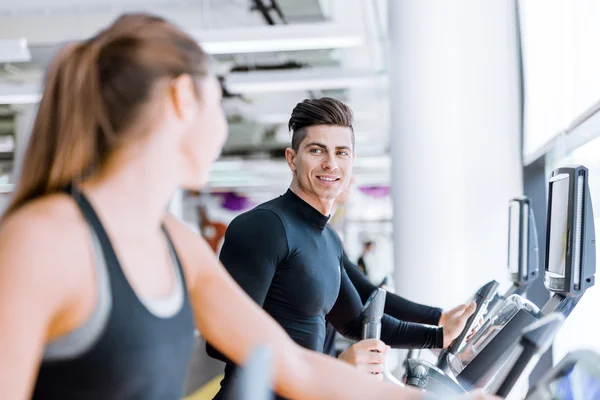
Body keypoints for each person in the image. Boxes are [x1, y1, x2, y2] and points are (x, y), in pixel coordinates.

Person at [0, 13, 499, 400]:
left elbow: (295, 365)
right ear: (181, 100)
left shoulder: (173, 242)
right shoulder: (42, 242)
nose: (222, 125)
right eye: (218, 101)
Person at [207, 97, 480, 398]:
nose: (331, 163)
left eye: (341, 152)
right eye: (316, 150)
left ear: (352, 161)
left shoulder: (328, 239)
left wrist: (440, 335)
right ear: (292, 158)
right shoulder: (264, 227)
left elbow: (358, 321)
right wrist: (336, 367)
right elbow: (223, 341)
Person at [324, 181, 477, 373]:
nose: (352, 181)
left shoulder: (328, 236)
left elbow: (367, 294)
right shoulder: (315, 238)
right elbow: (356, 320)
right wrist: (437, 335)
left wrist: (439, 319)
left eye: (342, 154)